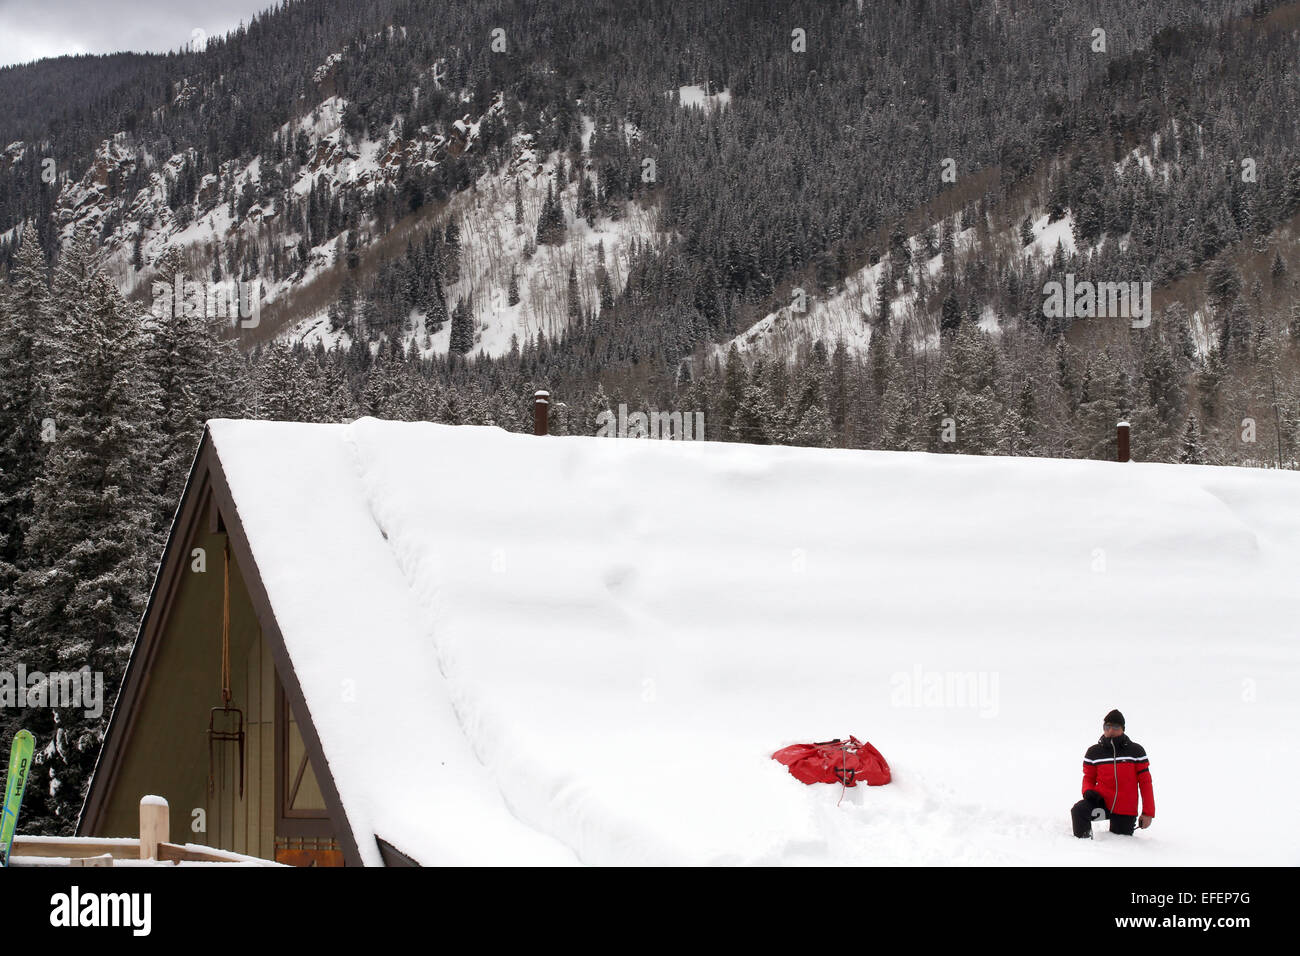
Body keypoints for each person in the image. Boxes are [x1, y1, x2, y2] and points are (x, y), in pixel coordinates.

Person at [1071, 709, 1154, 838]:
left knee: (1119, 842)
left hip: (1125, 810)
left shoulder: (1136, 752)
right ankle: (1084, 846)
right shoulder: (1094, 752)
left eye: (1115, 727)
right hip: (1102, 805)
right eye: (1107, 726)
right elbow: (1088, 778)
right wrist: (1087, 791)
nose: (1110, 730)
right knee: (1078, 811)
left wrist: (1148, 813)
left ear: (1123, 729)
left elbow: (1145, 783)